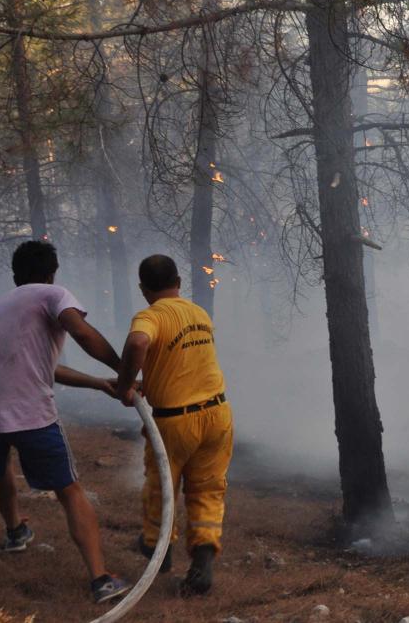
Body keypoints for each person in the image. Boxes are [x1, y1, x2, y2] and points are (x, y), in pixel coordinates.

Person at [0, 240, 132, 604]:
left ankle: (15, 532)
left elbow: (42, 368)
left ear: (14, 275)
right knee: (69, 490)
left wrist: (100, 384)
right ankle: (101, 579)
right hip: (28, 413)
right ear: (52, 273)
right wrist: (123, 371)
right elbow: (83, 334)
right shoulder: (54, 294)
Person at [115, 254, 232, 597]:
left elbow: (139, 343)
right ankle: (204, 554)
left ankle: (157, 547)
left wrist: (125, 386)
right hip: (218, 414)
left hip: (176, 422)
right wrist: (147, 384)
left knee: (162, 485)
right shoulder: (199, 313)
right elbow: (181, 364)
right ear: (178, 282)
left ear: (143, 289)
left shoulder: (150, 315)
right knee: (208, 489)